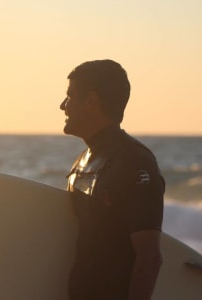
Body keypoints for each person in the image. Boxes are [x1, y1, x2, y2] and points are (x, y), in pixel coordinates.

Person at [60, 59, 164, 300]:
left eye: (70, 96)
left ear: (90, 101)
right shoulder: (84, 159)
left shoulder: (133, 161)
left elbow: (149, 256)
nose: (63, 105)